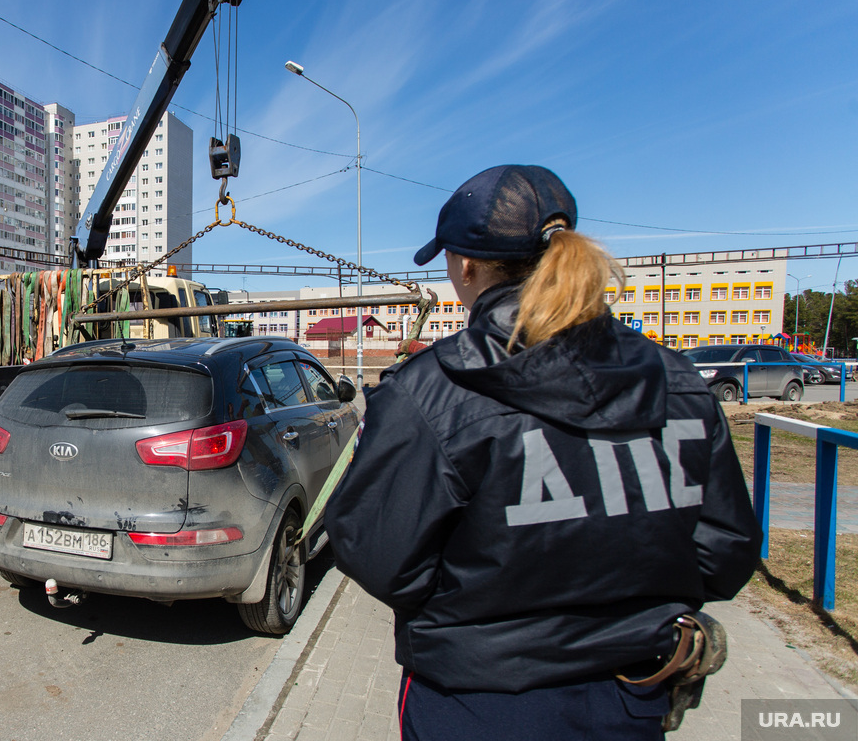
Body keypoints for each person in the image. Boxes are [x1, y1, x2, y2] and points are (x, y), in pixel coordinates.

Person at [324, 164, 762, 740]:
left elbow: (374, 550)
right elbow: (726, 548)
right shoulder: (675, 379)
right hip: (631, 697)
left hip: (477, 703)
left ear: (466, 265)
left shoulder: (430, 392)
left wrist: (476, 611)